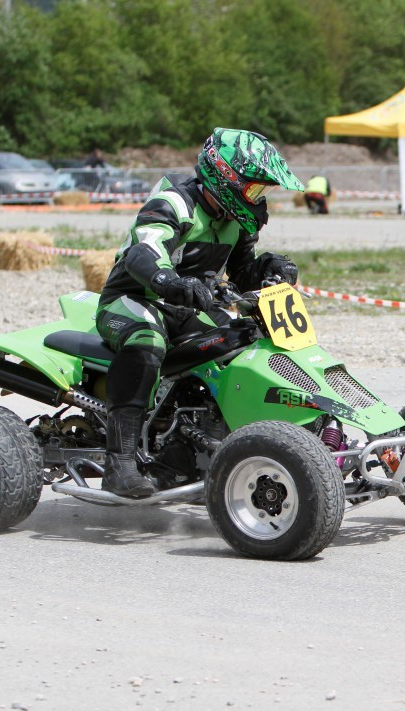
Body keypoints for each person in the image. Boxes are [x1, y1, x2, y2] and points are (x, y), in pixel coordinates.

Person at [95, 128, 304, 497]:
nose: (258, 199)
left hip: (189, 305)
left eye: (262, 192)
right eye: (254, 189)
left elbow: (241, 272)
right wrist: (168, 280)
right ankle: (120, 463)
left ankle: (196, 447)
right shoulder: (173, 203)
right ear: (226, 176)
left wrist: (270, 268)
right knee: (147, 338)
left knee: (244, 340)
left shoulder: (234, 220)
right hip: (132, 298)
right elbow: (143, 251)